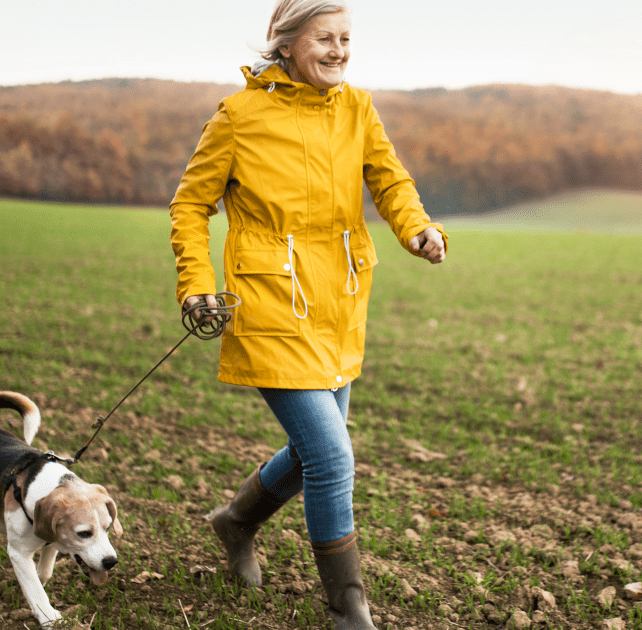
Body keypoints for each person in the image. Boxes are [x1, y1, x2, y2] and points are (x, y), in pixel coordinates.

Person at [168, 1, 446, 627]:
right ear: (287, 43)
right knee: (331, 455)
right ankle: (348, 608)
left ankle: (235, 523)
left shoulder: (358, 108)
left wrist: (417, 229)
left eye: (347, 38)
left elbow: (391, 182)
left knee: (312, 452)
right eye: (325, 38)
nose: (340, 50)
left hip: (339, 302)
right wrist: (195, 283)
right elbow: (190, 205)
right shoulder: (239, 116)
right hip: (268, 303)